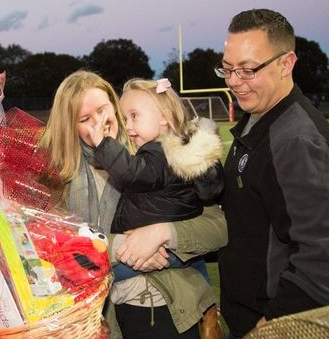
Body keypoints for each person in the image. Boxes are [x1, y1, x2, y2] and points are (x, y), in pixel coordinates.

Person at [41, 70, 228, 339]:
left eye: (103, 110)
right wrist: (122, 247)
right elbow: (46, 245)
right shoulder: (56, 176)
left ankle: (208, 310)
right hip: (94, 319)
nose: (99, 123)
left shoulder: (151, 151)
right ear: (70, 127)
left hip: (163, 305)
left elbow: (218, 227)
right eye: (84, 119)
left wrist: (163, 234)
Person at [214, 9, 329, 339]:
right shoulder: (258, 119)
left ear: (286, 63)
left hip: (280, 335)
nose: (233, 81)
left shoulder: (296, 141)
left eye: (248, 69)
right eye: (227, 68)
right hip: (253, 324)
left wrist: (269, 331)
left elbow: (325, 266)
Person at [81, 77, 223, 285]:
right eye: (125, 118)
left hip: (164, 250)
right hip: (171, 250)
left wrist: (103, 144)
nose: (128, 125)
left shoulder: (158, 152)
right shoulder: (177, 150)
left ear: (163, 117)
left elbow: (131, 172)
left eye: (134, 116)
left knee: (93, 277)